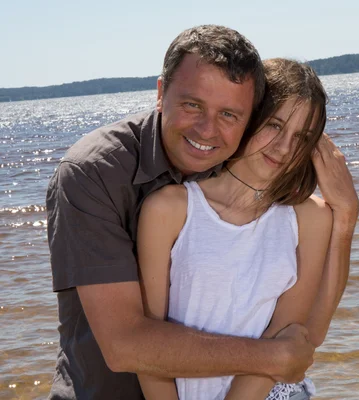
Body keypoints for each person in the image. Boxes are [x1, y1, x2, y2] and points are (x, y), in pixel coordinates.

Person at [46, 25, 358, 400]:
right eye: (193, 104)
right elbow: (127, 345)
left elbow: (302, 335)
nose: (208, 130)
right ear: (161, 93)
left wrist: (345, 215)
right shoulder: (97, 174)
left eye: (229, 114)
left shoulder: (295, 211)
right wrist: (272, 357)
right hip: (105, 389)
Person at [137, 58, 333, 400]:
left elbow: (287, 333)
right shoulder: (168, 209)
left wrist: (346, 212)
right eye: (274, 125)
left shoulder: (309, 217)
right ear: (249, 116)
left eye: (301, 137)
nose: (285, 148)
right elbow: (148, 342)